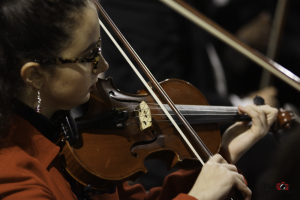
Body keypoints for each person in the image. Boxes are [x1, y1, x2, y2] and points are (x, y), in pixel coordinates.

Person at [0, 0, 278, 200]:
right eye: (89, 56)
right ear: (35, 75)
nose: (104, 65)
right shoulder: (12, 175)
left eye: (100, 48)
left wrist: (223, 155)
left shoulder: (68, 137)